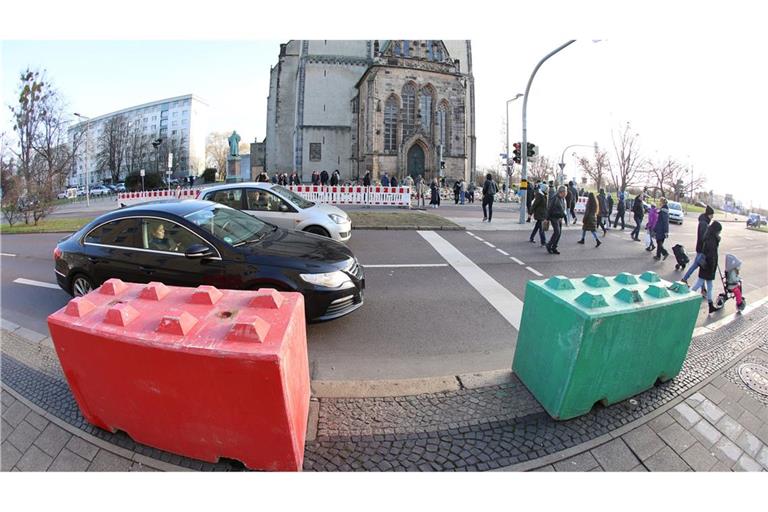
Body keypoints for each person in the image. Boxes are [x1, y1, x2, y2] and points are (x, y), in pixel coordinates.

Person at [690, 221, 723, 314]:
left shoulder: (708, 237)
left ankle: (710, 305)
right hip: (708, 267)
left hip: (705, 265)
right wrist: (712, 268)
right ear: (716, 231)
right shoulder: (712, 241)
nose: (720, 233)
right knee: (698, 284)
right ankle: (685, 298)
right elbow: (712, 256)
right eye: (719, 231)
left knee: (709, 286)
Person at [682, 205, 715, 286]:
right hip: (702, 249)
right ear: (708, 215)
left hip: (701, 248)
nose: (712, 217)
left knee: (700, 267)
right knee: (697, 265)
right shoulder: (704, 224)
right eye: (712, 215)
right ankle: (684, 279)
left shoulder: (704, 222)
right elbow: (703, 237)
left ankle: (701, 287)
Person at [545, 186, 567, 254]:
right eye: (565, 192)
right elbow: (550, 208)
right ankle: (549, 245)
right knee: (557, 232)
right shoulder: (555, 198)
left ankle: (554, 247)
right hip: (554, 217)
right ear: (562, 192)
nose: (566, 193)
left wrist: (562, 217)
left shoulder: (562, 198)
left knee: (559, 233)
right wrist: (547, 218)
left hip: (559, 217)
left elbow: (563, 208)